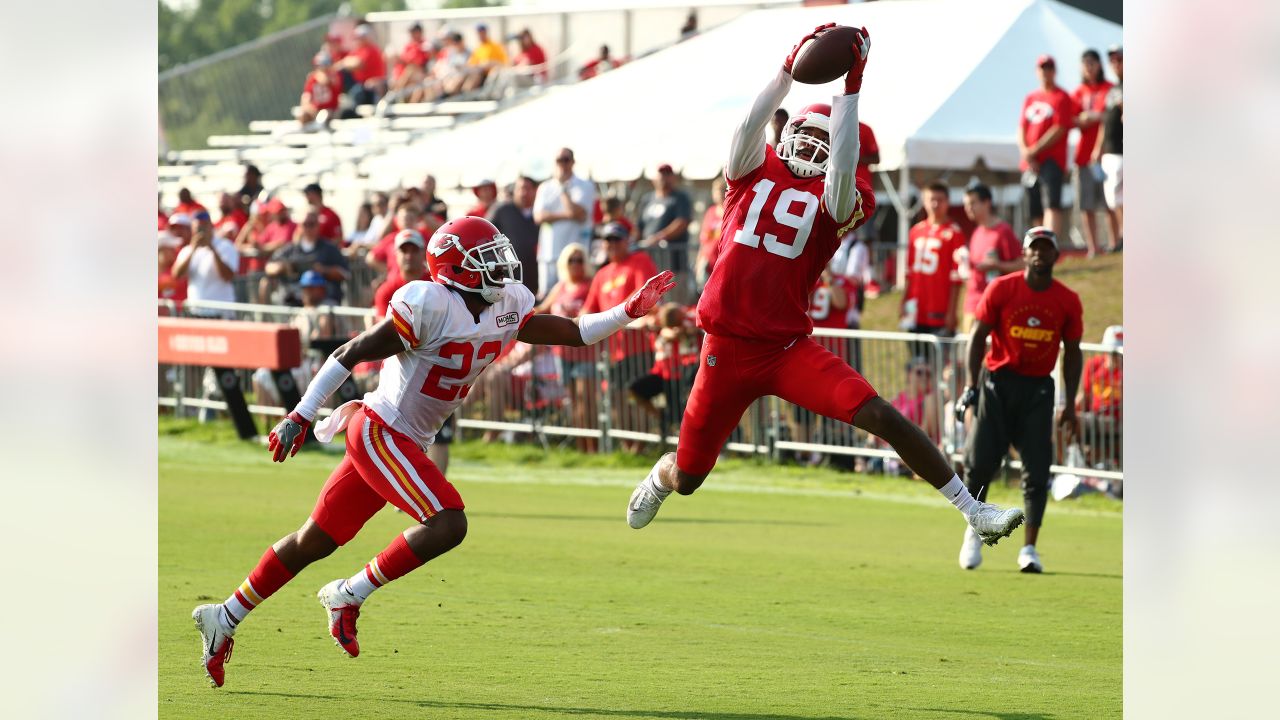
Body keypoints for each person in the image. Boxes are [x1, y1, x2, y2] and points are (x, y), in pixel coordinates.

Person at [191, 216, 675, 687]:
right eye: (487, 259)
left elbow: (571, 331)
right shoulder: (429, 302)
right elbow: (350, 352)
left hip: (407, 438)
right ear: (456, 267)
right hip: (380, 430)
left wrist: (627, 311)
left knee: (313, 540)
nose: (501, 267)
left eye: (499, 255)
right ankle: (347, 593)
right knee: (448, 522)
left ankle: (224, 616)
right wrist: (301, 413)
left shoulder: (507, 302)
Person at [624, 25, 1024, 550]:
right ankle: (661, 476)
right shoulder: (751, 171)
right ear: (786, 135)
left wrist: (850, 90)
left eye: (824, 141)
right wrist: (786, 70)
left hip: (785, 350)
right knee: (690, 477)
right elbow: (747, 127)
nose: (812, 148)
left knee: (881, 414)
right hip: (723, 349)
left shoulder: (847, 194)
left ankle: (972, 510)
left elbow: (837, 182)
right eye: (804, 137)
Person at [953, 226, 1083, 574]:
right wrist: (970, 385)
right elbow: (977, 338)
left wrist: (1070, 404)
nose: (1040, 254)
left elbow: (1073, 353)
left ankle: (1029, 548)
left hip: (1038, 390)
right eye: (1034, 248)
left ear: (1056, 255)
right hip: (998, 385)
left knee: (1037, 472)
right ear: (1024, 254)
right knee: (979, 463)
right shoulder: (1002, 288)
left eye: (1046, 248)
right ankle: (974, 529)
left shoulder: (1067, 300)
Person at [584, 222, 660, 451]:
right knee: (615, 397)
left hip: (638, 347)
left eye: (617, 239)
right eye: (608, 240)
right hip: (614, 351)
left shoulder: (640, 261)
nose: (612, 244)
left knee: (635, 394)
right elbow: (588, 309)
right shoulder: (601, 273)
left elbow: (645, 297)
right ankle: (630, 446)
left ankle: (643, 443)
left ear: (627, 240)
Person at [535, 243, 596, 452]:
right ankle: (582, 447)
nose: (575, 264)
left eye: (579, 260)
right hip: (563, 352)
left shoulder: (590, 284)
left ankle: (593, 447)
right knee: (574, 400)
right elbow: (543, 308)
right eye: (571, 260)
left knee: (585, 400)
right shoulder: (560, 286)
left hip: (586, 351)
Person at [902, 182, 965, 358]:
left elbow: (956, 277)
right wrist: (903, 301)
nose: (936, 204)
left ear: (948, 202)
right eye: (932, 199)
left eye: (940, 200)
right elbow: (909, 273)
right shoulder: (916, 231)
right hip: (915, 307)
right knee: (917, 361)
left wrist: (952, 311)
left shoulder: (954, 233)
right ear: (924, 201)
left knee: (940, 362)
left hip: (939, 307)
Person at [1018, 55, 1077, 240]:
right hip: (1031, 161)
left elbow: (1059, 128)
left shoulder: (1061, 97)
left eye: (1049, 68)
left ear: (1054, 71)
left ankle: (1050, 242)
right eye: (1042, 68)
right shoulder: (1031, 98)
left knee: (1051, 203)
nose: (1046, 72)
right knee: (1034, 205)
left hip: (1052, 158)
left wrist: (1034, 150)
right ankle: (1038, 242)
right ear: (1037, 71)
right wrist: (1026, 152)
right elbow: (1021, 127)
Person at [1070, 49, 1116, 257]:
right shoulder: (1078, 92)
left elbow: (1110, 115)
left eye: (1092, 62)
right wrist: (1082, 119)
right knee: (1086, 205)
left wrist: (1094, 117)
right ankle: (1093, 247)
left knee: (1110, 202)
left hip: (1107, 154)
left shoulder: (1109, 89)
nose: (1089, 67)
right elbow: (1069, 118)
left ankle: (1115, 242)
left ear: (1099, 65)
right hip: (1083, 156)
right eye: (1085, 63)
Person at [961, 184, 1022, 332]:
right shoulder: (976, 232)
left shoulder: (1003, 231)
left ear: (987, 203)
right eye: (966, 204)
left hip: (995, 307)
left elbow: (1021, 264)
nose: (968, 208)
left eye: (972, 203)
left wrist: (997, 265)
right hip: (972, 304)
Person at [534, 147, 595, 292]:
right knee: (547, 297)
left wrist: (562, 188)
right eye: (558, 160)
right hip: (548, 255)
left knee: (571, 299)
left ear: (573, 162)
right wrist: (567, 215)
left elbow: (578, 214)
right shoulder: (545, 187)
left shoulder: (585, 185)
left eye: (566, 159)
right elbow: (538, 217)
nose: (562, 163)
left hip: (574, 258)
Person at [264, 211, 349, 305]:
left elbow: (345, 273)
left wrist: (323, 270)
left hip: (323, 299)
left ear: (318, 226)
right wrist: (285, 267)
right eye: (305, 224)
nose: (308, 228)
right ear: (300, 227)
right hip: (294, 299)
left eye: (311, 224)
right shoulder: (291, 249)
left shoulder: (329, 249)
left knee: (325, 316)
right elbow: (269, 267)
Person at [172, 210, 240, 315]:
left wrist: (211, 248)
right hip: (196, 311)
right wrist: (193, 249)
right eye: (198, 228)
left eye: (204, 227)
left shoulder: (226, 246)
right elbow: (177, 275)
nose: (201, 231)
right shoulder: (187, 250)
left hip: (221, 312)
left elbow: (228, 276)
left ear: (211, 226)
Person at [1075, 324, 1122, 468]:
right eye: (1112, 352)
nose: (1115, 356)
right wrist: (1069, 411)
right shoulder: (1094, 365)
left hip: (1118, 421)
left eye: (1118, 353)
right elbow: (1084, 396)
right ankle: (1060, 471)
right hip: (1095, 417)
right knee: (1060, 421)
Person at [636, 163, 693, 277]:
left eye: (667, 174)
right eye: (661, 174)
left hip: (673, 262)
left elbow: (682, 222)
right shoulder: (647, 199)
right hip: (649, 260)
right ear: (654, 178)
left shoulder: (680, 198)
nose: (664, 178)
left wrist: (658, 237)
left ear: (673, 177)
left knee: (673, 292)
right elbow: (639, 226)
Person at [487, 176, 540, 296]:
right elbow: (484, 232)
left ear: (535, 190)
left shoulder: (541, 211)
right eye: (520, 188)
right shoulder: (502, 210)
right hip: (508, 276)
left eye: (528, 188)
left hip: (536, 274)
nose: (523, 192)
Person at [1093, 46, 1123, 248]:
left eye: (1119, 60)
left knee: (1121, 197)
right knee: (1113, 199)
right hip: (1110, 152)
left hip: (1124, 151)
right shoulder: (1113, 90)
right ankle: (1120, 237)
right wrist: (1098, 147)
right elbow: (1105, 122)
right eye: (1112, 61)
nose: (1116, 64)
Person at [336, 24, 387, 107]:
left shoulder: (371, 49)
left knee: (357, 92)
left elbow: (358, 64)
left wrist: (347, 63)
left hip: (371, 86)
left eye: (359, 38)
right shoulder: (358, 50)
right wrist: (346, 63)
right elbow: (342, 63)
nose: (357, 40)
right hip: (360, 84)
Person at [694, 176, 726, 291]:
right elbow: (704, 239)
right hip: (708, 263)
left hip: (723, 263)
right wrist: (698, 262)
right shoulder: (710, 212)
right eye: (716, 190)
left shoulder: (732, 210)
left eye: (722, 190)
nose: (719, 194)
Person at [296, 52, 343, 127]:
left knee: (323, 115)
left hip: (331, 110)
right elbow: (306, 96)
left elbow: (326, 81)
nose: (321, 68)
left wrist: (319, 75)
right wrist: (307, 107)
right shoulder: (312, 79)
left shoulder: (335, 76)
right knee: (303, 114)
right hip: (316, 109)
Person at [463, 23, 507, 92]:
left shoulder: (496, 46)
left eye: (482, 32)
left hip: (493, 74)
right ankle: (466, 94)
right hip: (481, 74)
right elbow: (472, 63)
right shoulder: (478, 48)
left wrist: (491, 63)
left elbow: (504, 62)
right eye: (479, 33)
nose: (480, 35)